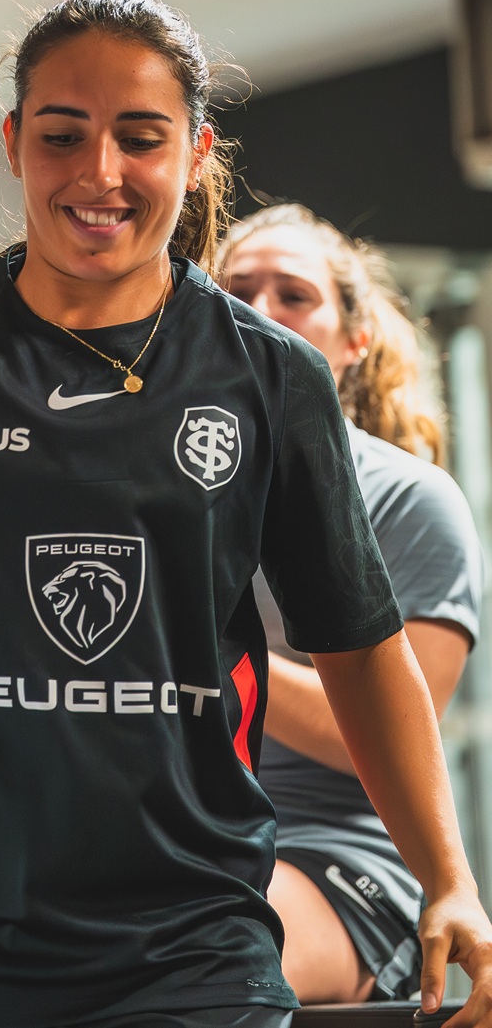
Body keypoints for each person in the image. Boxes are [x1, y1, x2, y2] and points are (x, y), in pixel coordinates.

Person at [0, 0, 492, 1028]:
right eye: (62, 135)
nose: (99, 173)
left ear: (196, 152)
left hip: (189, 953)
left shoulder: (268, 378)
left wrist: (450, 877)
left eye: (140, 138)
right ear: (14, 141)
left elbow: (359, 650)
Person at [216, 204, 484, 1005]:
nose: (260, 314)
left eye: (294, 295)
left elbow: (364, 731)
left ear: (353, 340)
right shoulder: (170, 486)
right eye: (237, 292)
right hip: (187, 839)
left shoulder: (411, 501)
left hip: (341, 856)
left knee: (208, 961)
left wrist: (190, 651)